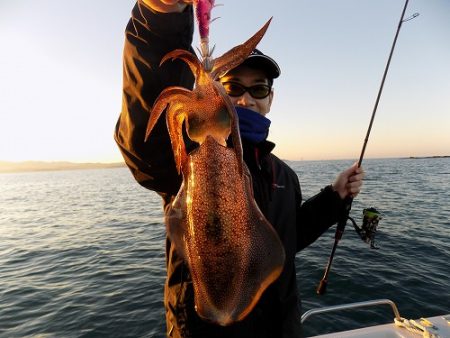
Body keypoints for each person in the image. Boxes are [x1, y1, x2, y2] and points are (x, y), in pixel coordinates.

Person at [114, 1, 364, 337]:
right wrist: (159, 18)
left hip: (281, 327)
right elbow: (144, 140)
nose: (246, 100)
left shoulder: (284, 176)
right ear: (218, 93)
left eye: (258, 88)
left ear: (270, 99)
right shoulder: (183, 161)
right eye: (233, 88)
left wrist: (334, 197)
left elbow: (286, 238)